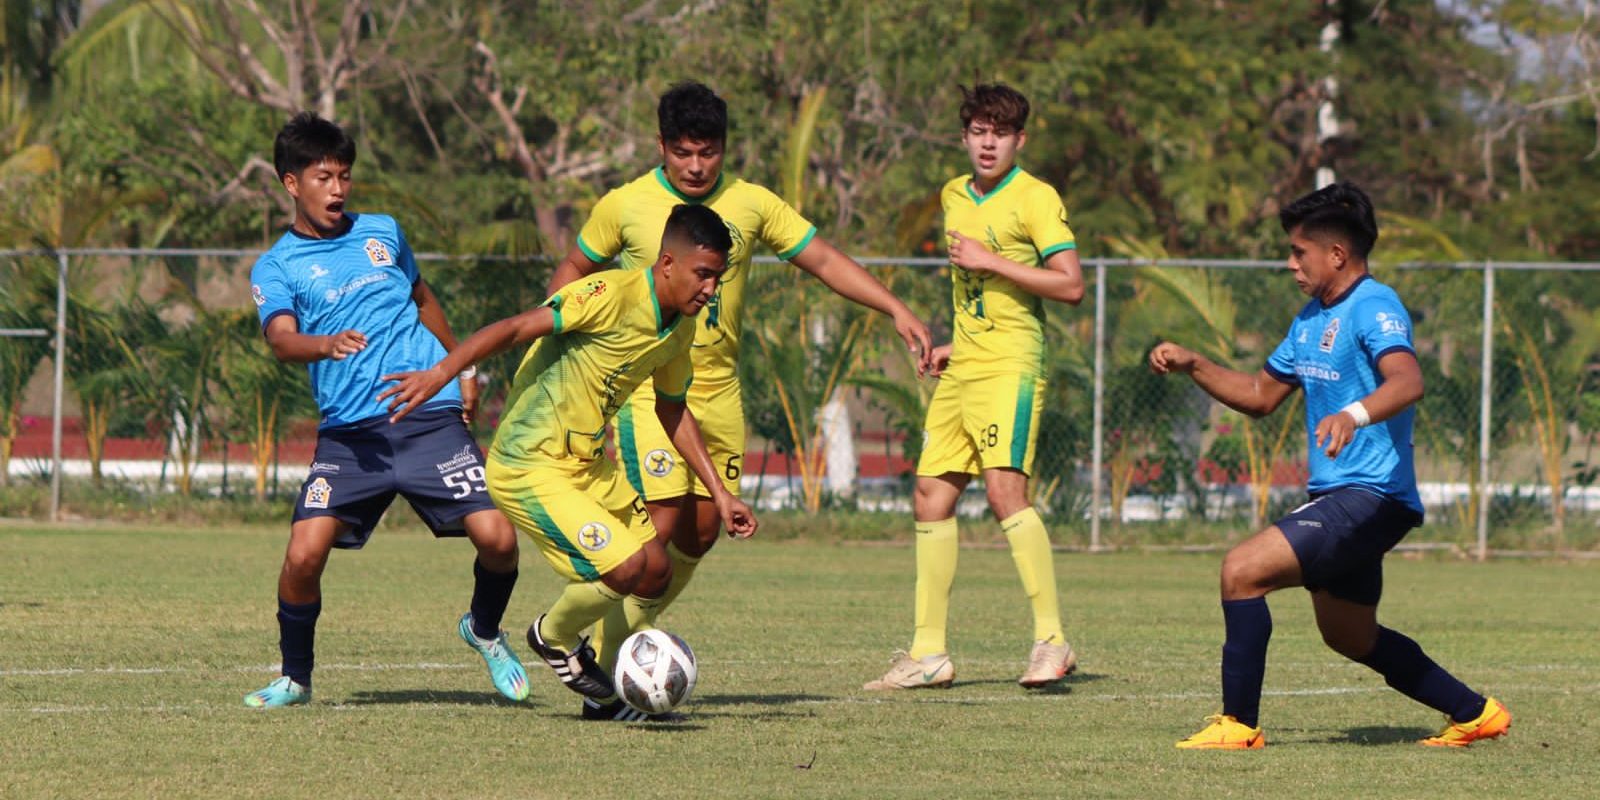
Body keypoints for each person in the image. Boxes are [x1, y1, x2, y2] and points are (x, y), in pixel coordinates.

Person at [546, 81, 933, 671]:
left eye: (709, 152)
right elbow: (575, 267)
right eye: (683, 152)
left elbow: (824, 260)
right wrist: (566, 342)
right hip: (648, 393)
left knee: (699, 536)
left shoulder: (752, 203)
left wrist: (895, 308)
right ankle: (604, 662)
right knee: (658, 530)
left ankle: (620, 647)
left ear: (725, 148)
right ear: (661, 145)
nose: (697, 165)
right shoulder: (625, 204)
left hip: (720, 394)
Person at [1150, 181, 1510, 749]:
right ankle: (1475, 712)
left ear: (1336, 255)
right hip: (1339, 497)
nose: (1290, 263)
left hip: (1373, 495)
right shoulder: (1309, 318)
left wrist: (1354, 414)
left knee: (1241, 571)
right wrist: (1196, 363)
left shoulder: (1374, 305)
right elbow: (1259, 394)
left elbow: (1408, 380)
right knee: (1350, 636)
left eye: (1299, 252)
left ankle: (1238, 725)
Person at [378, 203, 757, 721]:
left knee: (655, 573)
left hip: (587, 463)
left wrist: (720, 493)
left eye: (717, 278)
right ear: (668, 262)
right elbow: (514, 328)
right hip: (530, 463)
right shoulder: (608, 295)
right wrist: (440, 373)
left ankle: (600, 697)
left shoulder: (680, 329)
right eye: (704, 274)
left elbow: (672, 409)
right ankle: (551, 636)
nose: (711, 289)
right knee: (624, 568)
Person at [243, 112, 526, 708]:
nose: (338, 189)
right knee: (302, 554)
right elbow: (281, 340)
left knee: (499, 540)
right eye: (324, 177)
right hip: (350, 437)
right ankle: (296, 677)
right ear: (292, 183)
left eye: (344, 175)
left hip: (427, 415)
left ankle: (484, 629)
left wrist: (462, 368)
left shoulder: (382, 232)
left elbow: (424, 299)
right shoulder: (277, 265)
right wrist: (325, 344)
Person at [865, 83, 1086, 691]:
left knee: (1003, 492)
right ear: (965, 137)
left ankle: (1052, 641)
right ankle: (928, 653)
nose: (989, 144)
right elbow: (981, 299)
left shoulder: (1036, 198)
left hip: (1013, 366)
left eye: (1001, 133)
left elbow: (1070, 285)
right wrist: (953, 346)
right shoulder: (953, 195)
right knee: (930, 495)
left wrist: (995, 262)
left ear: (1020, 140)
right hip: (966, 367)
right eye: (979, 132)